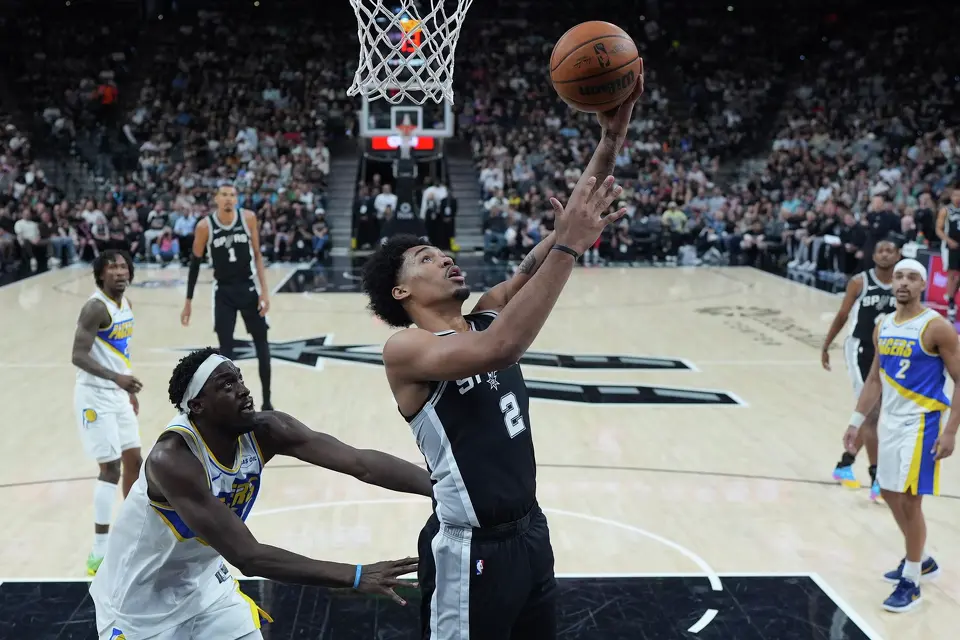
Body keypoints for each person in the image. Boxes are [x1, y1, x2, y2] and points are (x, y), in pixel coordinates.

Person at [361, 78, 643, 638]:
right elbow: (503, 348)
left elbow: (563, 234)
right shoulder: (407, 350)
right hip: (471, 549)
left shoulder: (487, 311)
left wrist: (610, 139)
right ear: (401, 293)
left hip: (531, 534)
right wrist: (568, 247)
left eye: (443, 251)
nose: (445, 258)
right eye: (426, 258)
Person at [89, 347, 432, 639]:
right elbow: (248, 556)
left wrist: (439, 488)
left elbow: (360, 463)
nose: (242, 389)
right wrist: (355, 575)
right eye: (226, 385)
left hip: (205, 587)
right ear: (197, 405)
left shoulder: (266, 430)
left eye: (239, 378)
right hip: (137, 606)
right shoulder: (173, 460)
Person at [843, 258, 958, 612]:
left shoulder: (936, 327)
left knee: (910, 500)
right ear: (891, 283)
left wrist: (951, 432)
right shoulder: (883, 325)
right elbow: (875, 378)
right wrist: (856, 420)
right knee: (889, 492)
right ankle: (920, 558)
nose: (904, 282)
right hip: (888, 422)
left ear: (923, 284)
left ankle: (912, 580)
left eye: (912, 277)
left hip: (922, 424)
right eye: (899, 277)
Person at [70, 249, 143, 576]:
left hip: (117, 394)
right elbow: (78, 355)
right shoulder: (94, 307)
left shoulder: (126, 304)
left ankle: (134, 532)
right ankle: (99, 550)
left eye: (124, 266)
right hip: (94, 397)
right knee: (110, 469)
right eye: (112, 267)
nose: (120, 271)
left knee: (135, 463)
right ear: (100, 274)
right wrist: (117, 379)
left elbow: (120, 352)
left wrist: (127, 389)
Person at [181, 185, 274, 410]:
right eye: (224, 195)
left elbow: (258, 255)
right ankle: (231, 404)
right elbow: (194, 264)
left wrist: (265, 291)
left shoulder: (249, 218)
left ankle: (268, 402)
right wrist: (188, 302)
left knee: (262, 343)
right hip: (223, 291)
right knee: (226, 352)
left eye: (232, 195)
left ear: (237, 198)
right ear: (216, 198)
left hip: (248, 288)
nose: (228, 199)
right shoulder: (205, 227)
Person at [821, 239, 899, 501]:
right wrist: (826, 344)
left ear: (898, 254)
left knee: (876, 415)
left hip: (889, 353)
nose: (885, 254)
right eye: (881, 250)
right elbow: (843, 315)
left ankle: (845, 464)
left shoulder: (903, 283)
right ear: (873, 255)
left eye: (890, 250)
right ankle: (877, 477)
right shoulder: (859, 282)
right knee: (871, 413)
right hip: (860, 349)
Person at [934, 187, 960, 321]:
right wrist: (948, 240)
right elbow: (938, 229)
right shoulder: (946, 210)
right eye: (955, 195)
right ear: (951, 196)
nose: (957, 198)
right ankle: (951, 303)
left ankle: (951, 297)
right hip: (951, 246)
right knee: (951, 273)